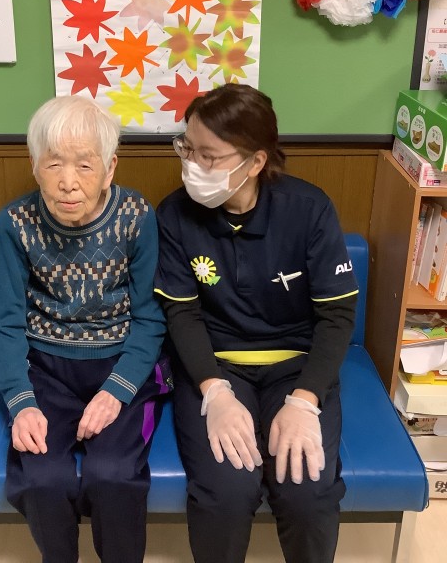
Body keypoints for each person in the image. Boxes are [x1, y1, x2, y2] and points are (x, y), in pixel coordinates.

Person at [154, 83, 358, 563]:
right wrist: (214, 392)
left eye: (209, 156)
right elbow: (182, 313)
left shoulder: (308, 210)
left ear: (256, 162)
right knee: (226, 490)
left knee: (307, 490)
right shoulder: (174, 216)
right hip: (215, 368)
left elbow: (336, 314)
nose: (192, 165)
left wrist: (305, 401)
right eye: (187, 148)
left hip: (295, 366)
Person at [0, 95, 168, 563]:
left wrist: (118, 390)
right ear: (34, 166)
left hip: (121, 361)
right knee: (43, 479)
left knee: (113, 474)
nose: (68, 182)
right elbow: (6, 321)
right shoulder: (15, 222)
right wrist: (21, 401)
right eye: (53, 164)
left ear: (109, 169)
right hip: (46, 369)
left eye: (85, 166)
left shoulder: (136, 215)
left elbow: (151, 317)